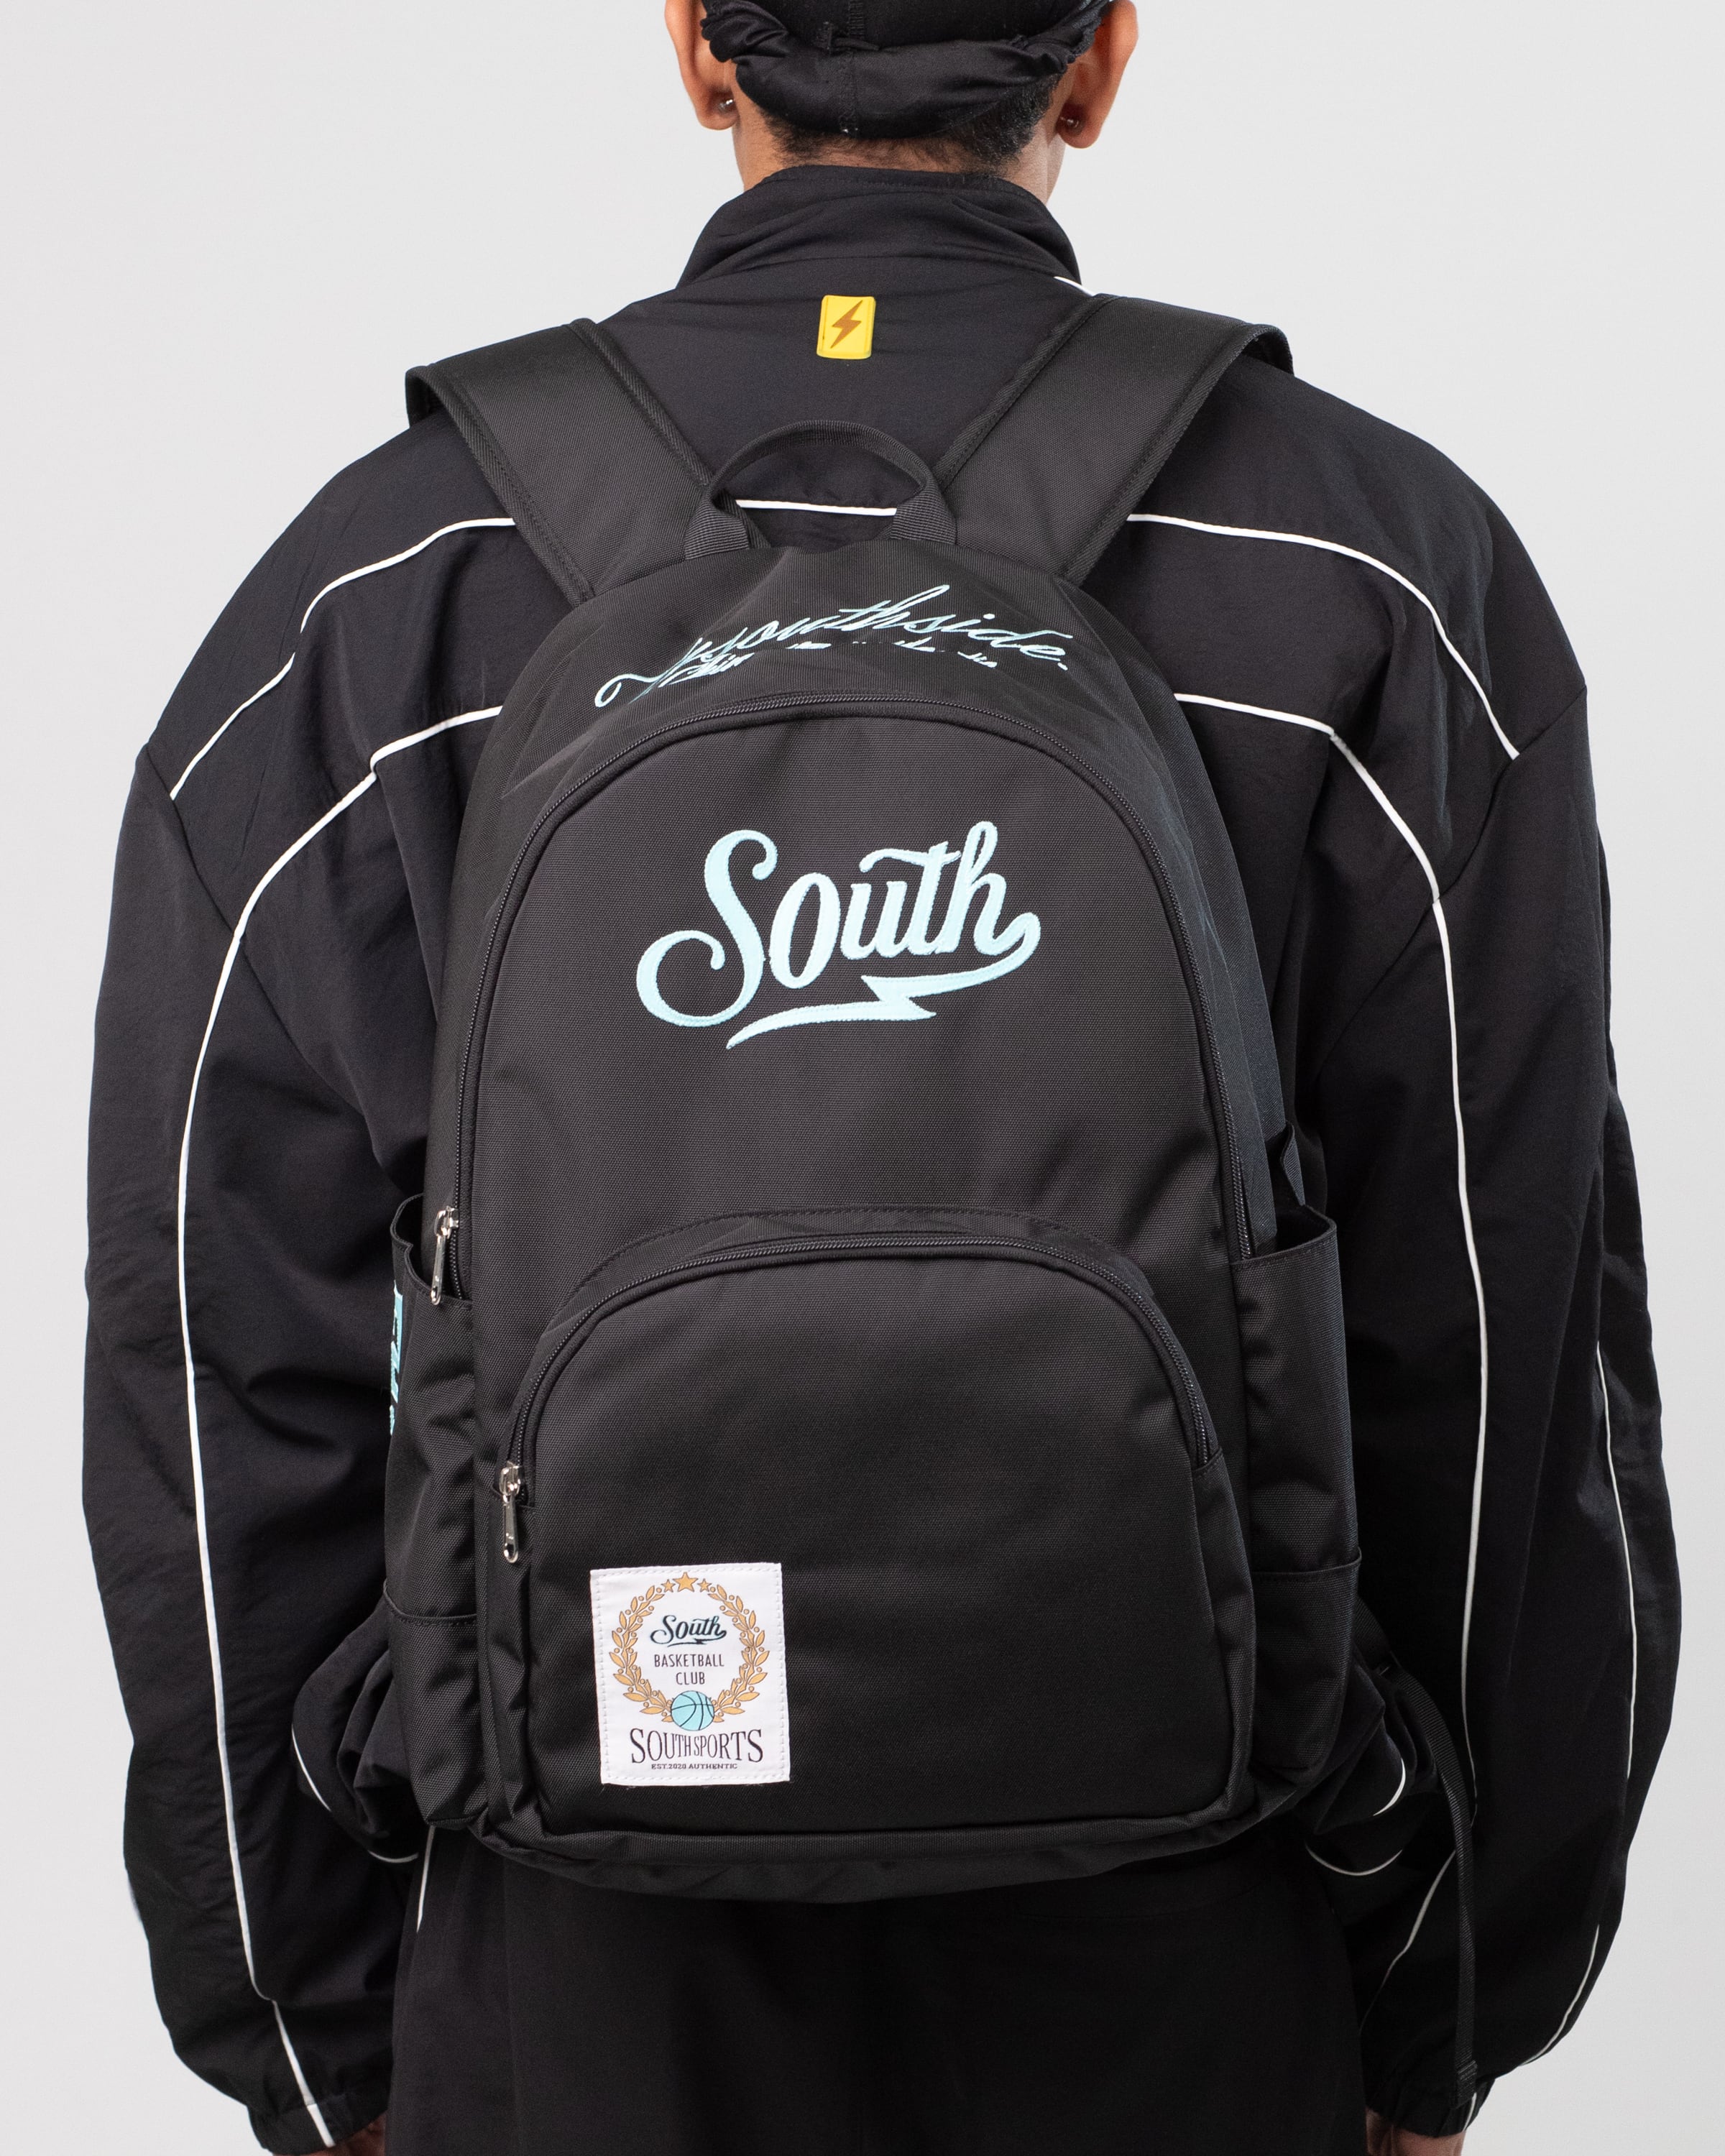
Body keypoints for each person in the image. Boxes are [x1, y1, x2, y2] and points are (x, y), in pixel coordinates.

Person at [83, 4, 1676, 2152]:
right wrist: (1449, 2002)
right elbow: (1503, 1356)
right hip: (1196, 1961)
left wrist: (315, 2037)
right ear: (1101, 55)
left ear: (694, 44)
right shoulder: (1376, 579)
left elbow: (210, 1373)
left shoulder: (376, 605)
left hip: (565, 1978)